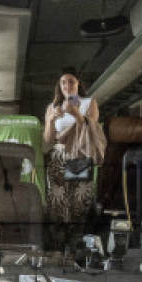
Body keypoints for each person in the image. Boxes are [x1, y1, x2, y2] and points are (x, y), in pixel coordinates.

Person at [43, 71, 107, 244]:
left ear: (78, 83)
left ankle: (74, 245)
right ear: (59, 85)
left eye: (71, 81)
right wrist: (50, 120)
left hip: (78, 154)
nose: (67, 86)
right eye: (63, 82)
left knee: (77, 202)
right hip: (58, 155)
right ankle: (58, 245)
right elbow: (48, 139)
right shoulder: (52, 107)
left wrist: (76, 113)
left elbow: (91, 130)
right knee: (58, 200)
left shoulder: (88, 103)